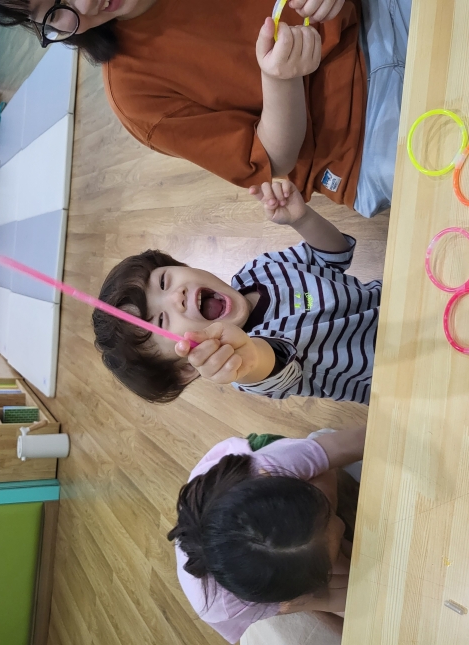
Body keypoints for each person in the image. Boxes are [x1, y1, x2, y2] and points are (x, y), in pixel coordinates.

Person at [0, 0, 411, 216]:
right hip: (358, 142)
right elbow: (274, 160)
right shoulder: (135, 97)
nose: (86, 5)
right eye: (55, 11)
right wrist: (281, 80)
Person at [92, 179, 381, 404]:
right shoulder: (245, 362)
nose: (175, 297)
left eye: (164, 281)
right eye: (160, 320)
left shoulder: (259, 269)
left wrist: (302, 219)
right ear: (187, 368)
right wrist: (248, 359)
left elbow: (334, 256)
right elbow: (267, 365)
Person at [169, 426, 365, 643]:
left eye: (328, 514)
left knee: (322, 454)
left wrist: (327, 496)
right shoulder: (227, 608)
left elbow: (354, 440)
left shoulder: (265, 467)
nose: (340, 525)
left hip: (239, 467)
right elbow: (321, 601)